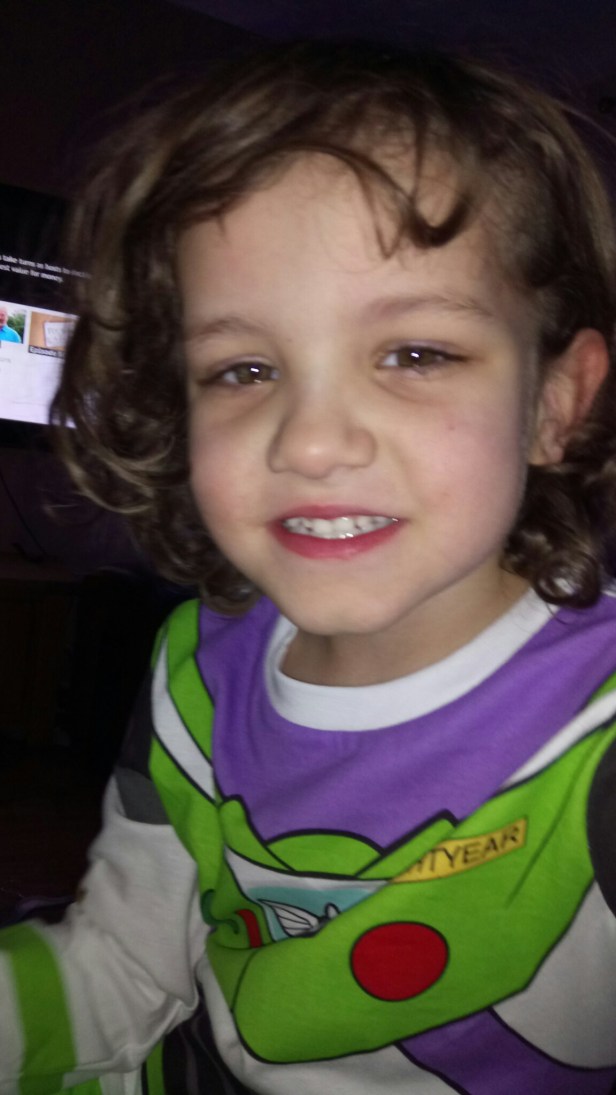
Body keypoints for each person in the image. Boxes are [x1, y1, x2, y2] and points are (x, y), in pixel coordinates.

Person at [2, 40, 616, 1095]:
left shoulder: (595, 732)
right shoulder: (197, 668)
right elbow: (123, 972)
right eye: (243, 368)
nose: (312, 441)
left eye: (415, 353)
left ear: (555, 403)